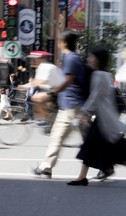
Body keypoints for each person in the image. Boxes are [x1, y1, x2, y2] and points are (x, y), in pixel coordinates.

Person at [67, 47, 126, 188]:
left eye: (91, 57)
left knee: (90, 146)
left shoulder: (99, 76)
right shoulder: (106, 75)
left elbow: (95, 98)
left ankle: (82, 177)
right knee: (111, 150)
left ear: (97, 59)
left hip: (103, 120)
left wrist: (83, 112)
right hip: (104, 118)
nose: (89, 59)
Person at [33, 30, 87, 178]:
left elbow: (68, 80)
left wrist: (52, 93)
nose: (58, 44)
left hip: (71, 106)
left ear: (63, 43)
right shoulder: (74, 58)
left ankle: (46, 167)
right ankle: (107, 166)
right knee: (88, 140)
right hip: (75, 105)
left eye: (58, 41)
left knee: (57, 136)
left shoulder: (70, 58)